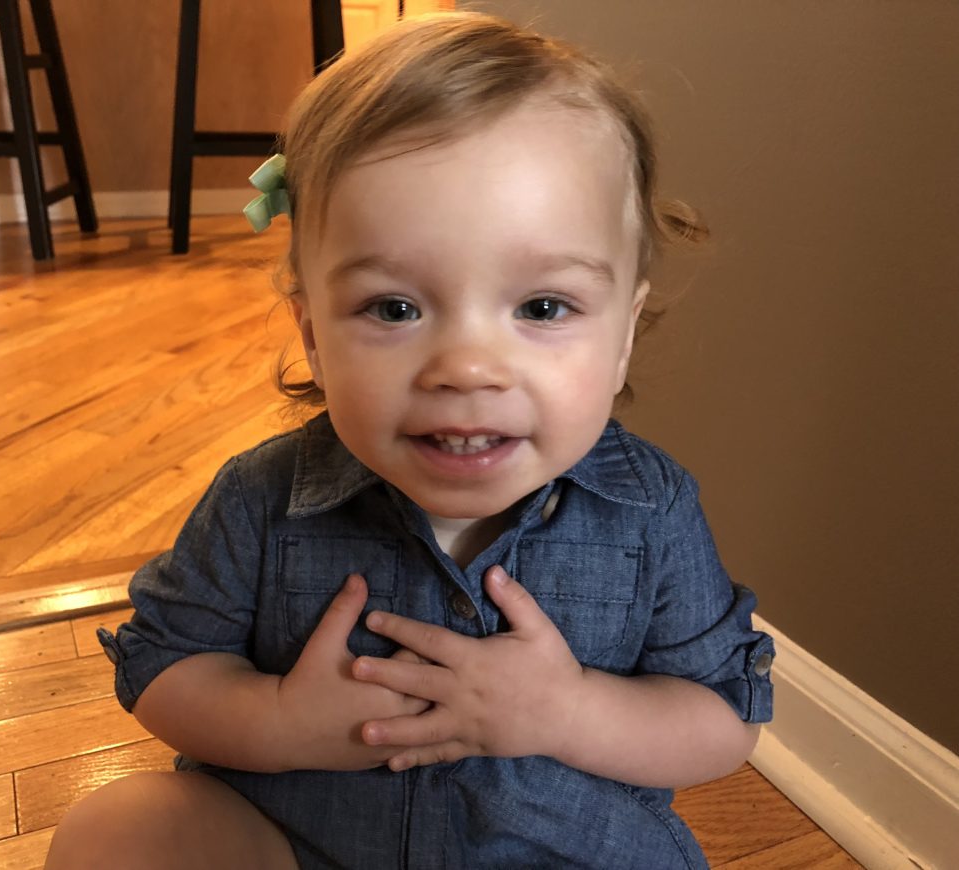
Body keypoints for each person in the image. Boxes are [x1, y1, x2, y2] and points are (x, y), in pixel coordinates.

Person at [45, 12, 774, 869]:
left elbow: (724, 720)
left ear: (621, 335)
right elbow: (163, 670)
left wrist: (569, 711)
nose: (466, 368)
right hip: (300, 840)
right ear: (314, 335)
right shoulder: (259, 499)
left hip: (557, 851)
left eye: (541, 308)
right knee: (123, 832)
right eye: (395, 308)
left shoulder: (650, 511)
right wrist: (280, 720)